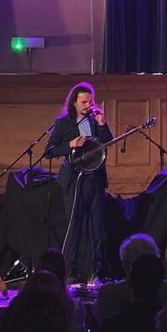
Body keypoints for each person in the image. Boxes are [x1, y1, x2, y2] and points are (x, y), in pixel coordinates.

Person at [45, 81, 114, 284]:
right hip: (75, 181)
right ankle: (70, 273)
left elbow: (108, 144)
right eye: (83, 102)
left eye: (90, 101)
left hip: (95, 180)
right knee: (74, 228)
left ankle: (95, 272)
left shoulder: (94, 121)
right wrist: (70, 144)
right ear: (74, 102)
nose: (87, 105)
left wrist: (102, 123)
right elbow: (49, 151)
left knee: (96, 228)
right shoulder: (63, 123)